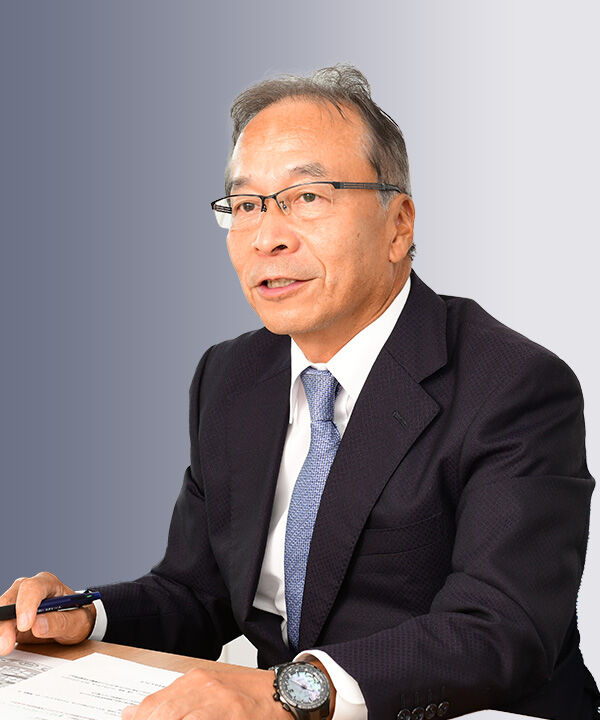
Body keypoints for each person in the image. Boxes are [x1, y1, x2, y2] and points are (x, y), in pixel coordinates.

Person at [0, 64, 598, 720]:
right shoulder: (231, 375)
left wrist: (286, 691)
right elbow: (196, 592)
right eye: (246, 205)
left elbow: (499, 628)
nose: (268, 237)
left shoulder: (512, 385)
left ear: (398, 224)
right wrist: (84, 614)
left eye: (307, 196)